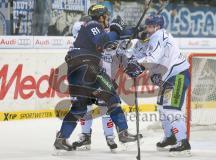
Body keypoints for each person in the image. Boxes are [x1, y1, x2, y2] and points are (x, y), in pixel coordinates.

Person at [53, 4, 139, 152]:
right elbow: (103, 40)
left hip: (76, 72)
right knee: (112, 96)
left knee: (79, 108)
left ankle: (61, 139)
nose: (108, 19)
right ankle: (123, 132)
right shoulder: (93, 24)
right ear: (101, 16)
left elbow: (110, 41)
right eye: (106, 16)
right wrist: (116, 30)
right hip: (87, 67)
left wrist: (134, 31)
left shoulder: (90, 31)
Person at [125, 14, 191, 156]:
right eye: (147, 26)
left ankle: (183, 143)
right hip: (169, 78)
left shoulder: (157, 36)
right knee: (162, 107)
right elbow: (146, 54)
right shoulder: (155, 36)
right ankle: (170, 137)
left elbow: (152, 58)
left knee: (172, 109)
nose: (147, 29)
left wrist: (138, 65)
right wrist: (134, 59)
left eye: (150, 26)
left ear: (158, 26)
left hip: (178, 76)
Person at [69, 16, 117, 152]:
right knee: (86, 106)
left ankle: (110, 137)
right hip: (87, 77)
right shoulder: (84, 37)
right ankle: (85, 136)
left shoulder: (102, 33)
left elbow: (115, 50)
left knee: (105, 107)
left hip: (103, 77)